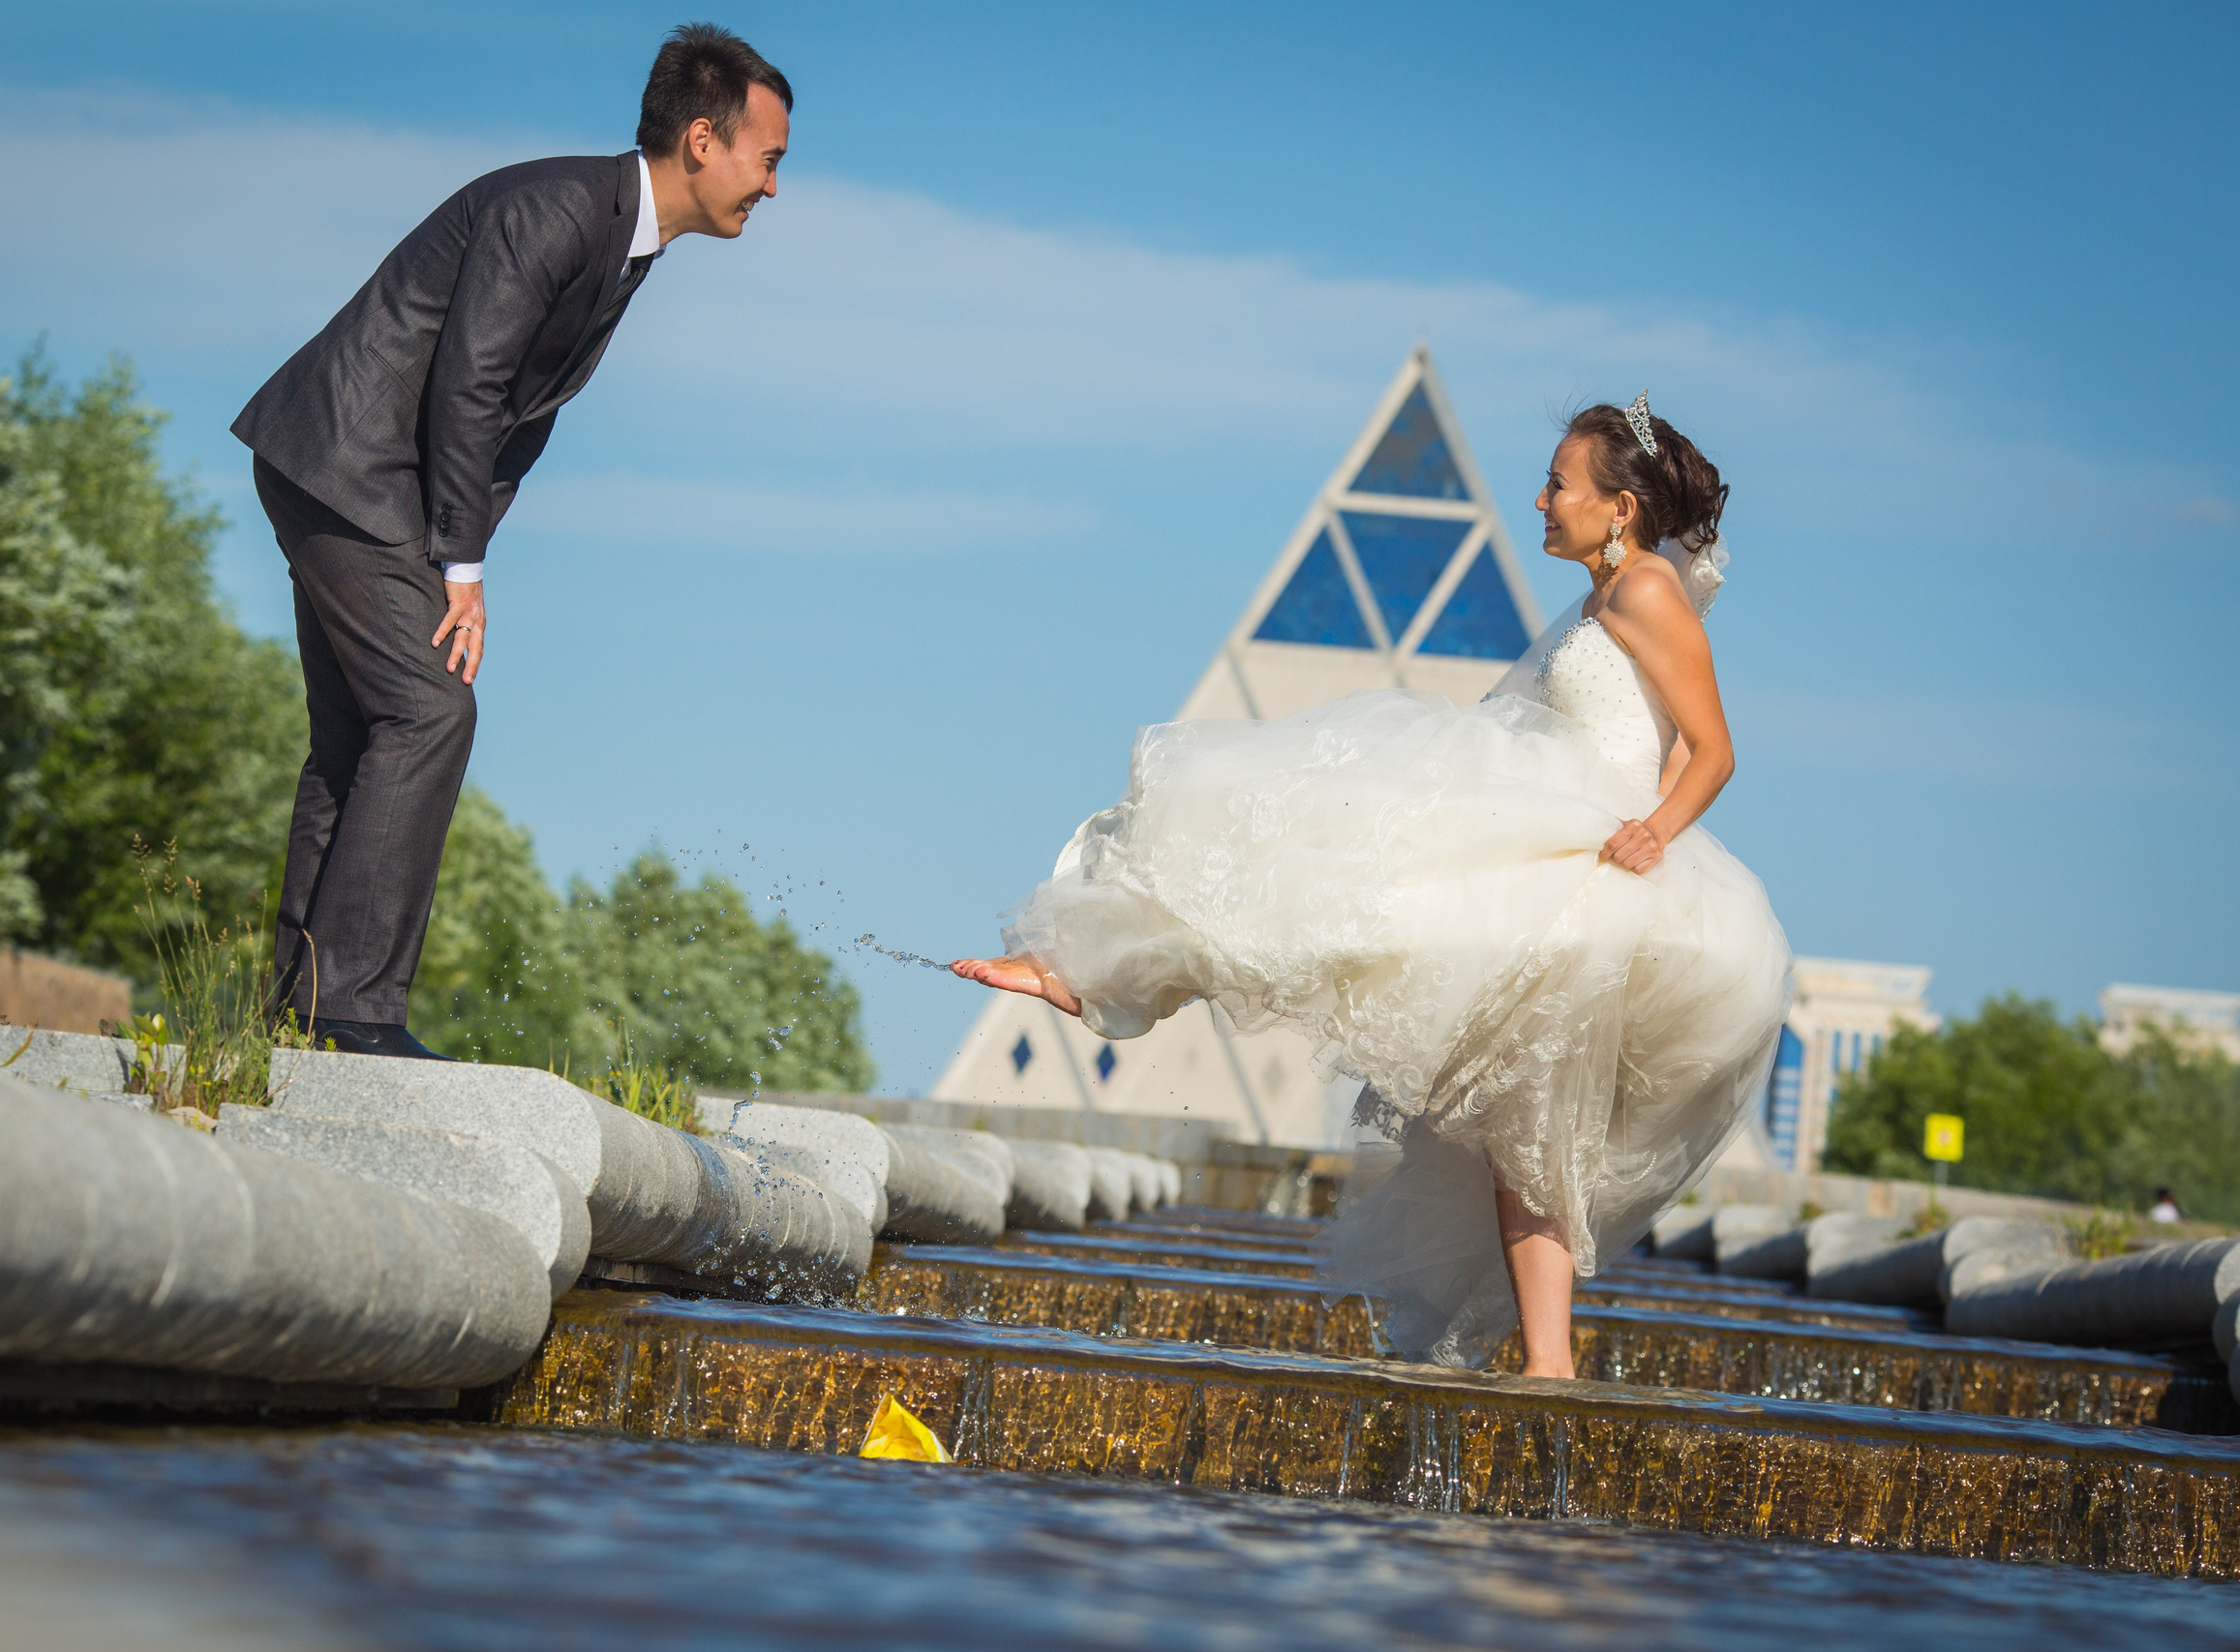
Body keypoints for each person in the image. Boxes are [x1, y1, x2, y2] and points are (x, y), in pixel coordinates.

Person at [954, 395, 1791, 1376]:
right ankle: (1099, 971)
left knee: (1495, 1083)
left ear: (1618, 506)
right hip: (1553, 844)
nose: (1539, 499)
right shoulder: (1602, 597)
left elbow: (1714, 750)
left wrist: (1654, 830)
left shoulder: (1645, 592)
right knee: (1472, 1067)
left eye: (1558, 484)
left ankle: (1551, 1359)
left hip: (1597, 866)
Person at [230, 24, 792, 1059]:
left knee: (362, 734)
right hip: (345, 464)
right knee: (430, 708)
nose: (772, 187)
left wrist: (458, 553)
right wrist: (462, 567)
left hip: (357, 477)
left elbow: (515, 422)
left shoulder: (624, 243)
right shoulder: (559, 211)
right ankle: (350, 1012)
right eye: (770, 160)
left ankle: (295, 1013)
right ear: (704, 140)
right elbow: (472, 383)